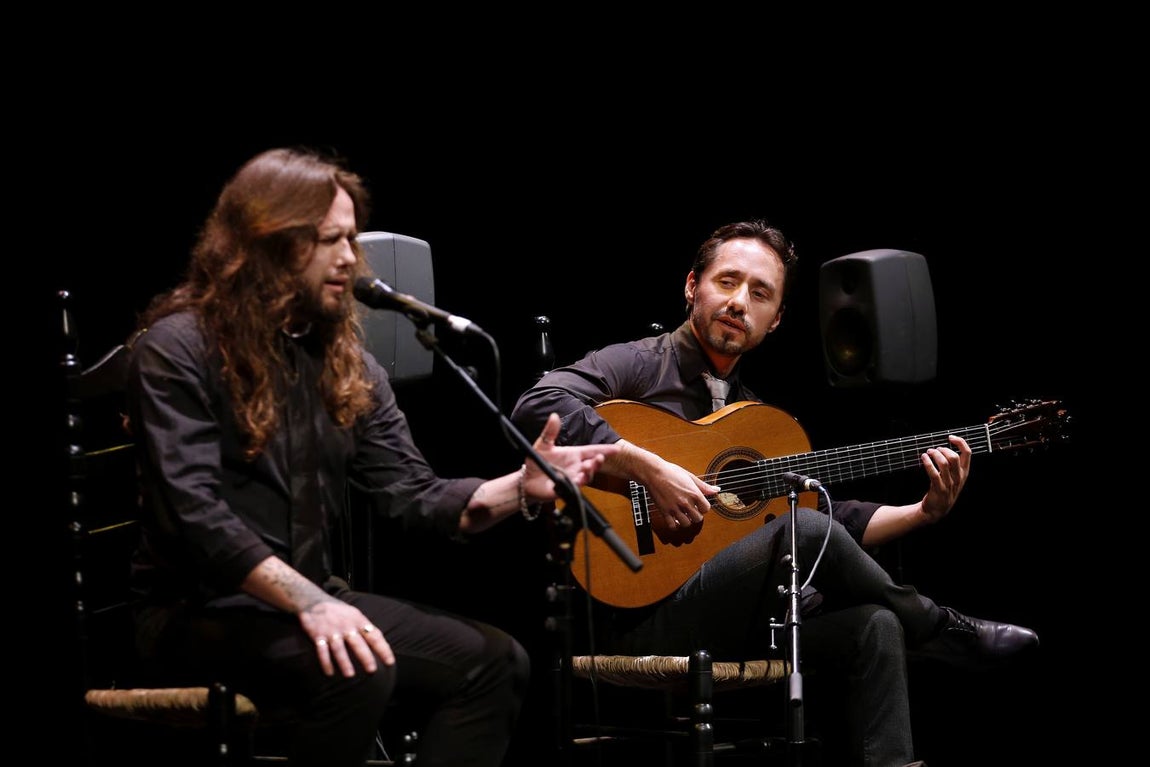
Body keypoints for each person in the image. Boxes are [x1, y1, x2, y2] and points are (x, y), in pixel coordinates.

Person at [122, 146, 617, 767]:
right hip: (196, 612)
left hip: (310, 601)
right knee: (358, 668)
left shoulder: (345, 365)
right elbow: (197, 518)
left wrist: (520, 486)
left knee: (496, 663)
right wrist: (313, 604)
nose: (348, 258)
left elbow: (413, 495)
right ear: (266, 242)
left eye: (351, 239)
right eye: (328, 239)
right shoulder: (177, 348)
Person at [509, 219, 1039, 767]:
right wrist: (647, 468)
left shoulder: (756, 418)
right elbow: (536, 407)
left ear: (776, 319)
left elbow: (827, 513)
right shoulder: (639, 363)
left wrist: (923, 511)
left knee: (874, 624)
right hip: (634, 616)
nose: (739, 302)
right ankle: (936, 627)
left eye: (760, 293)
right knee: (802, 530)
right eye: (727, 282)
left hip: (738, 619)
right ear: (692, 286)